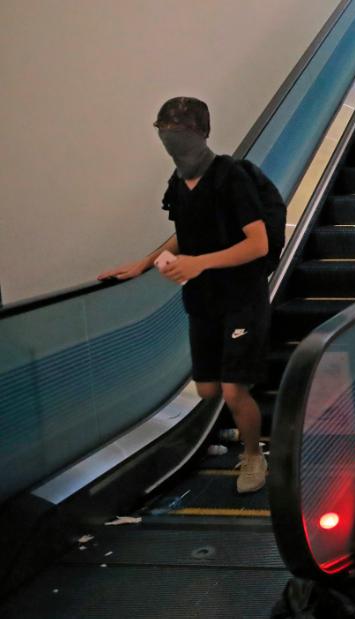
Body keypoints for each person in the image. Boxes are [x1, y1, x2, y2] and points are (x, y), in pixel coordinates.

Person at [98, 97, 270, 493]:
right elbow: (185, 234)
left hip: (242, 297)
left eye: (181, 132)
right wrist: (144, 262)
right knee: (207, 388)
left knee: (232, 388)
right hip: (202, 298)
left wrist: (200, 263)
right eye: (164, 131)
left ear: (202, 132)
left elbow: (258, 243)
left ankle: (254, 456)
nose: (171, 139)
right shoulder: (179, 182)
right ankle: (221, 437)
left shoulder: (231, 176)